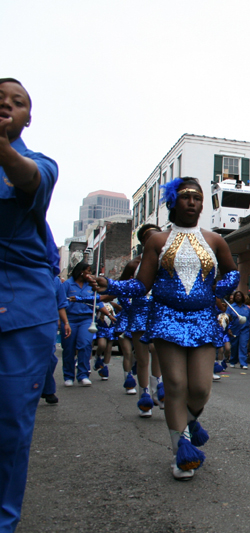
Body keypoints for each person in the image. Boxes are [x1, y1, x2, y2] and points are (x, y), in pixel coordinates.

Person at [93, 177, 240, 480]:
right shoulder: (157, 241)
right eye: (186, 196)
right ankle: (181, 451)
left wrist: (219, 288)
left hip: (202, 319)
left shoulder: (215, 240)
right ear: (173, 201)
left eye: (197, 198)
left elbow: (232, 274)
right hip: (166, 318)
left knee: (199, 389)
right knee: (175, 385)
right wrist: (113, 286)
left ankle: (186, 424)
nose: (192, 202)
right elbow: (141, 285)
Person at [0, 78, 60, 531]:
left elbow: (29, 180)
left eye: (16, 102)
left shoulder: (39, 164)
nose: (6, 105)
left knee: (9, 428)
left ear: (27, 118)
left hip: (19, 311)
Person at [120, 223, 164, 416]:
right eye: (152, 237)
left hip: (159, 314)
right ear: (144, 241)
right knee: (142, 356)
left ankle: (157, 391)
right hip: (139, 313)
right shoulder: (133, 265)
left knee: (158, 351)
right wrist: (129, 307)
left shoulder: (167, 262)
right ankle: (144, 395)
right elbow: (119, 288)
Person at [63, 261, 100, 387]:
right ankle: (68, 376)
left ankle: (83, 375)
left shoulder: (91, 285)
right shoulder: (67, 284)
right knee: (69, 348)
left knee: (85, 344)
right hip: (70, 319)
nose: (90, 274)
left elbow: (98, 302)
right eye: (88, 271)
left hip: (86, 319)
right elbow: (60, 303)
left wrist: (110, 315)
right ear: (81, 271)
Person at [42, 274, 70, 404]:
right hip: (24, 320)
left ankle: (47, 389)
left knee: (50, 357)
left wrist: (65, 322)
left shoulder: (54, 280)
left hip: (48, 322)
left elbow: (61, 303)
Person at [228, 291, 250, 369]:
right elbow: (227, 318)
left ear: (242, 297)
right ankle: (233, 360)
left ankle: (243, 363)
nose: (238, 297)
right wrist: (228, 329)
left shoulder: (246, 308)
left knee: (243, 345)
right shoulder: (231, 307)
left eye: (240, 296)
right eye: (236, 296)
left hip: (244, 329)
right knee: (234, 346)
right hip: (234, 329)